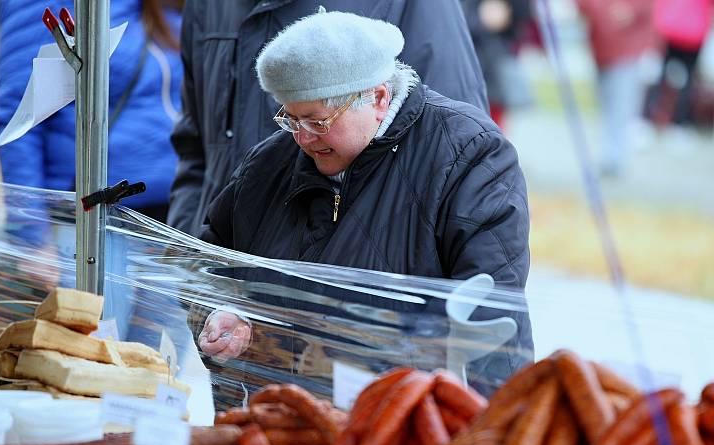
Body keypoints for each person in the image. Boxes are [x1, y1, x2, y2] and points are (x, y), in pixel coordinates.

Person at [194, 10, 533, 395]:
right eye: (291, 119)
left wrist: (491, 437)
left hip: (408, 421)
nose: (303, 139)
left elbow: (491, 312)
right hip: (279, 421)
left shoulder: (468, 154)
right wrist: (218, 317)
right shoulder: (266, 166)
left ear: (378, 98)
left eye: (318, 121)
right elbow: (209, 269)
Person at [167, 0, 490, 237]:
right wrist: (185, 248)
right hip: (217, 265)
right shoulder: (208, 6)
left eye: (316, 123)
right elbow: (193, 144)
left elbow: (452, 150)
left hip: (355, 271)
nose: (304, 136)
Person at [0, 0, 184, 333]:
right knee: (95, 366)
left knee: (151, 376)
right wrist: (32, 239)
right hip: (93, 228)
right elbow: (18, 121)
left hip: (170, 230)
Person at [576, 0, 657, 177]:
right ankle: (610, 154)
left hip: (629, 48)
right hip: (600, 48)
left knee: (622, 103)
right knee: (606, 103)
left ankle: (615, 157)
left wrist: (629, 11)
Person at [461, 0, 534, 129]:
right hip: (460, 56)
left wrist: (506, 10)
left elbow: (524, 12)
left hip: (493, 62)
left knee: (490, 129)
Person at [646, 0, 713, 131]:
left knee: (661, 77)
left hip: (670, 27)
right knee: (686, 80)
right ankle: (679, 121)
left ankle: (652, 117)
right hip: (692, 31)